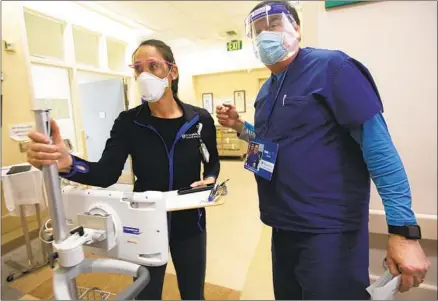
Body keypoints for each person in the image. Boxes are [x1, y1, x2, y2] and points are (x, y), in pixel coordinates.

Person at [216, 1, 430, 299]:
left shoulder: (332, 69)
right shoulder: (267, 92)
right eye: (258, 31)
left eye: (274, 25)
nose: (265, 35)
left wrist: (404, 230)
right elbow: (268, 146)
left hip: (328, 233)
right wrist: (240, 127)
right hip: (282, 227)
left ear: (297, 29)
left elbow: (379, 150)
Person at [27, 39, 220, 300]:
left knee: (193, 292)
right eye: (139, 69)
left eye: (154, 66)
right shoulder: (129, 122)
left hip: (190, 222)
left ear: (172, 72)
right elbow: (106, 174)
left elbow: (212, 163)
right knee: (146, 294)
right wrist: (69, 164)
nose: (145, 75)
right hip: (144, 223)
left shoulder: (199, 119)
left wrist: (209, 179)